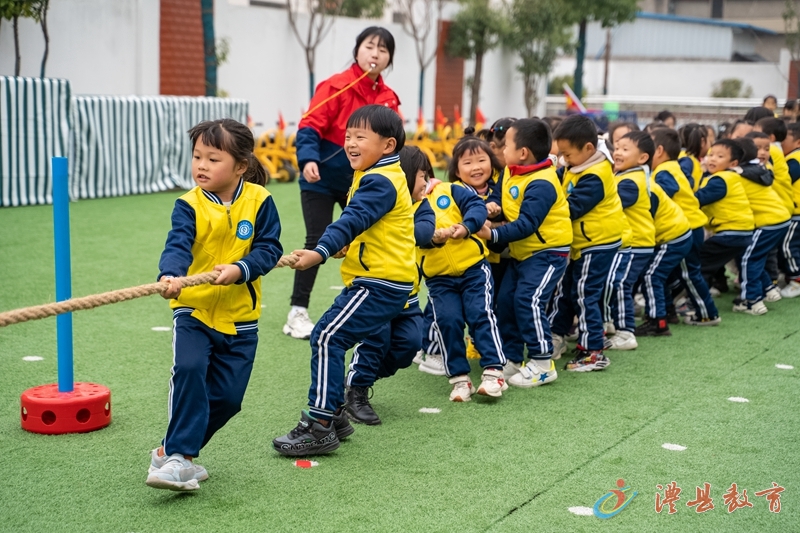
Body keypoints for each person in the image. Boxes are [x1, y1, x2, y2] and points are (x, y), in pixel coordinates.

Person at [147, 119, 284, 491]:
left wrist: (242, 269)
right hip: (194, 308)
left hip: (241, 316)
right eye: (196, 157)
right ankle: (179, 457)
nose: (201, 166)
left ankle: (171, 453)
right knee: (189, 369)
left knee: (228, 398)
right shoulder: (188, 204)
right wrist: (171, 276)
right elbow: (177, 244)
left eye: (212, 158)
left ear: (240, 166)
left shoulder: (260, 201)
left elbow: (270, 249)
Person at [273, 105, 416, 456]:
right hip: (381, 280)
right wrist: (346, 247)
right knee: (331, 337)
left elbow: (352, 218)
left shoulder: (380, 180)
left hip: (379, 283)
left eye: (360, 137)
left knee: (326, 337)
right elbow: (369, 227)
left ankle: (320, 424)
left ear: (387, 145)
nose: (349, 143)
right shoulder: (376, 174)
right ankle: (334, 414)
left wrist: (319, 251)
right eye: (347, 136)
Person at [286, 27, 401, 340]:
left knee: (367, 241)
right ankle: (297, 311)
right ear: (357, 50)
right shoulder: (335, 86)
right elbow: (309, 125)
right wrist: (308, 159)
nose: (375, 54)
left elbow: (396, 144)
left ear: (389, 58)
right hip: (320, 179)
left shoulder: (389, 99)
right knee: (318, 238)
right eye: (369, 46)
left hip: (364, 183)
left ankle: (364, 310)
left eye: (383, 49)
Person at [343, 146, 435, 425]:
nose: (427, 183)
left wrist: (393, 224)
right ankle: (356, 391)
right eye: (422, 176)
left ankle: (359, 378)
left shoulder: (421, 206)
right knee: (375, 340)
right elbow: (352, 222)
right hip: (373, 287)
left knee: (409, 345)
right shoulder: (378, 197)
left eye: (429, 176)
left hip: (406, 295)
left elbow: (424, 232)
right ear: (406, 176)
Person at [477, 118, 571, 387]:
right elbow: (500, 194)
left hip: (548, 253)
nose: (501, 150)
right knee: (506, 301)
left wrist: (492, 233)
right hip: (523, 253)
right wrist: (493, 206)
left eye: (506, 145)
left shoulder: (542, 182)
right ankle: (512, 358)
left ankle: (543, 363)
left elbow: (528, 224)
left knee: (529, 300)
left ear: (523, 153)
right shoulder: (512, 170)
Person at [419, 134, 507, 402]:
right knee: (448, 321)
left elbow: (476, 208)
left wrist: (465, 227)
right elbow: (410, 236)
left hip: (473, 269)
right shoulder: (402, 206)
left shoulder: (451, 189)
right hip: (438, 278)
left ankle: (494, 372)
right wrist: (430, 238)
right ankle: (459, 379)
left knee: (480, 314)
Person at [550, 114, 625, 372]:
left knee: (585, 295)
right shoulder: (579, 165)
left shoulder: (595, 174)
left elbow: (573, 207)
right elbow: (563, 175)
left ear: (589, 149)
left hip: (598, 242)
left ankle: (593, 351)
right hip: (584, 242)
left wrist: (545, 208)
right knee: (570, 290)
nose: (564, 160)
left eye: (567, 154)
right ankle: (556, 334)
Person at [650, 128, 719, 325]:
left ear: (659, 150)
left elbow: (666, 192)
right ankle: (669, 309)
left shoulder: (664, 171)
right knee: (679, 272)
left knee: (689, 273)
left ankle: (708, 313)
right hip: (693, 226)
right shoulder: (674, 166)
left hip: (686, 228)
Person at [605, 132, 657, 350]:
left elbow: (611, 204)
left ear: (643, 158)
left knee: (619, 284)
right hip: (632, 241)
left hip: (636, 242)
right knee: (616, 283)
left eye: (625, 149)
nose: (617, 152)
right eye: (617, 147)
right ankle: (611, 324)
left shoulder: (630, 181)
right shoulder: (628, 175)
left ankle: (626, 332)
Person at [731, 138, 791, 314]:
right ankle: (768, 289)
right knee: (753, 257)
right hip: (779, 219)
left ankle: (752, 301)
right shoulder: (758, 170)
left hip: (768, 222)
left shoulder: (736, 175)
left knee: (748, 259)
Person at [694, 140, 755, 307]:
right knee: (747, 264)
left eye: (720, 156)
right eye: (711, 154)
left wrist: (684, 198)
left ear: (733, 163)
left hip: (730, 232)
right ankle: (756, 298)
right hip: (740, 231)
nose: (712, 159)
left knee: (700, 264)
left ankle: (698, 304)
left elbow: (700, 199)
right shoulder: (726, 177)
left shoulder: (721, 180)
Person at [780, 122, 800, 298]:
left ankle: (796, 280)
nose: (781, 142)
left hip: (796, 212)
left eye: (785, 138)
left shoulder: (794, 160)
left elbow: (785, 181)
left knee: (788, 245)